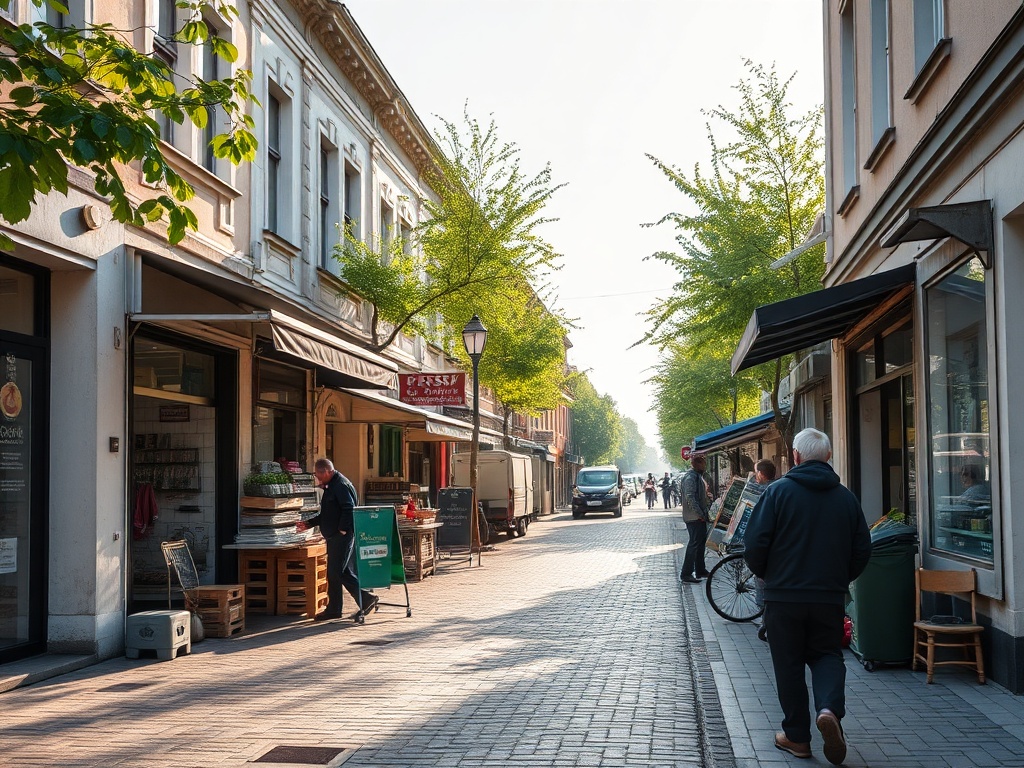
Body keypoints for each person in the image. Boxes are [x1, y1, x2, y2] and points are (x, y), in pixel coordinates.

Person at [743, 429, 871, 765]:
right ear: (828, 457)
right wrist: (839, 579)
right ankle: (828, 710)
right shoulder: (846, 498)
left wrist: (767, 575)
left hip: (783, 597)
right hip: (828, 597)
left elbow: (754, 543)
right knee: (827, 654)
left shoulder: (777, 492)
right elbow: (862, 549)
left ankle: (797, 737)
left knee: (788, 664)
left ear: (796, 456)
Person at [296, 458, 379, 621]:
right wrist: (309, 523)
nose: (317, 478)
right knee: (339, 572)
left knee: (336, 572)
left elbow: (348, 508)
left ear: (326, 471)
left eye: (318, 475)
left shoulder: (340, 485)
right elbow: (328, 514)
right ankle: (336, 608)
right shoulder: (331, 485)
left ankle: (365, 598)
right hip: (335, 536)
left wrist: (342, 529)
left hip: (341, 537)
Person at [751, 459, 777, 643]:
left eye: (756, 472)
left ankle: (765, 621)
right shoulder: (779, 488)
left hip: (767, 547)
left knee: (762, 581)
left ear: (760, 473)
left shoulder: (762, 491)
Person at [679, 454, 712, 583]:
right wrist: (700, 514)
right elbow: (690, 497)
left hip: (697, 516)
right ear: (697, 464)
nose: (705, 466)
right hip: (694, 517)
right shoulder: (691, 477)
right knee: (694, 544)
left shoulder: (696, 476)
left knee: (699, 544)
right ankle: (686, 573)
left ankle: (700, 569)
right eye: (703, 463)